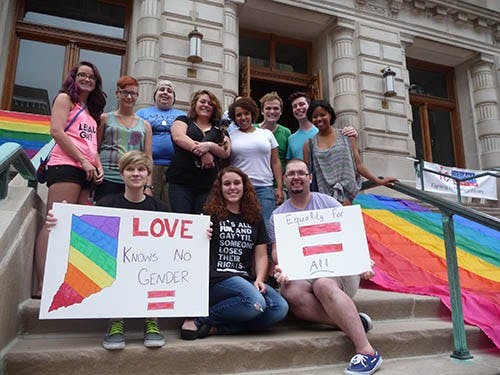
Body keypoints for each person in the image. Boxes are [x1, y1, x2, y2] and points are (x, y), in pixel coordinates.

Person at [270, 159, 382, 375]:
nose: (296, 177)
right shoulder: (278, 215)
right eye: (291, 174)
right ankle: (352, 321)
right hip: (304, 271)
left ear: (309, 178)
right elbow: (277, 250)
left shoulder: (328, 203)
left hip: (338, 273)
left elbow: (350, 235)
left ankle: (367, 351)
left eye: (301, 173)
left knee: (323, 284)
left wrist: (362, 261)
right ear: (284, 180)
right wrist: (280, 266)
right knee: (290, 292)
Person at [46, 151, 167, 349]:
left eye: (141, 169)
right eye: (130, 169)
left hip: (147, 268)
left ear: (148, 175)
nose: (135, 174)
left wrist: (202, 233)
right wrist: (60, 221)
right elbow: (85, 237)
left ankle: (151, 320)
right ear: (122, 174)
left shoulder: (161, 208)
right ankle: (116, 320)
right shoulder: (107, 205)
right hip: (115, 266)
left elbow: (175, 245)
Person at [180, 166, 288, 339]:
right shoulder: (209, 213)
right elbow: (193, 245)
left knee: (279, 308)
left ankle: (218, 328)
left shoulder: (254, 216)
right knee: (255, 302)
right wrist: (199, 234)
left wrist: (260, 279)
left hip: (244, 279)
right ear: (220, 188)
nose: (232, 187)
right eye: (227, 184)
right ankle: (198, 319)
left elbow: (261, 255)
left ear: (244, 186)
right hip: (215, 280)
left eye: (237, 183)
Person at [33, 61, 106, 298]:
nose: (87, 79)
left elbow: (91, 144)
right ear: (73, 78)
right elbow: (56, 131)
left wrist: (97, 165)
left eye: (91, 77)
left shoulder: (92, 110)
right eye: (82, 75)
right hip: (65, 165)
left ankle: (70, 281)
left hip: (86, 170)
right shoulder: (65, 98)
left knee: (81, 226)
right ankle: (42, 285)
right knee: (54, 222)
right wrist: (82, 161)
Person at [303, 100, 396, 205]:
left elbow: (358, 164)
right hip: (324, 200)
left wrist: (378, 181)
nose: (319, 119)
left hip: (350, 195)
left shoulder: (346, 135)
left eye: (322, 115)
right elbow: (307, 175)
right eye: (315, 117)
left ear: (330, 114)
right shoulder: (309, 144)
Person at [167, 89, 231, 214]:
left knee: (204, 223)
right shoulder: (183, 120)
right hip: (181, 183)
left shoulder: (220, 129)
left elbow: (226, 151)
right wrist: (203, 153)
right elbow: (178, 137)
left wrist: (209, 146)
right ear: (195, 104)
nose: (206, 105)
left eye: (210, 104)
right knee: (182, 221)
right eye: (202, 101)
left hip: (208, 186)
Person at [227, 97, 284, 230]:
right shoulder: (230, 136)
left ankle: (268, 251)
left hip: (264, 188)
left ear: (252, 114)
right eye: (238, 115)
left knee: (267, 227)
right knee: (243, 229)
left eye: (246, 113)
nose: (243, 117)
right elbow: (226, 164)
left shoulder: (267, 134)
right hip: (239, 189)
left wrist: (279, 188)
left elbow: (275, 162)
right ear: (234, 118)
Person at [94, 75, 153, 201]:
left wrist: (148, 185)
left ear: (137, 96)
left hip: (135, 180)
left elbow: (148, 157)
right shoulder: (105, 119)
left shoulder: (145, 125)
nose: (129, 97)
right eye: (125, 92)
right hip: (107, 178)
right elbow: (95, 149)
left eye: (133, 93)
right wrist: (98, 170)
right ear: (117, 94)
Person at [136, 80, 186, 205]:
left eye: (169, 91)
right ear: (155, 95)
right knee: (149, 202)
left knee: (170, 204)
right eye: (161, 89)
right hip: (149, 165)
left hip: (175, 167)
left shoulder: (182, 115)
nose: (165, 93)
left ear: (174, 98)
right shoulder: (142, 113)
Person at [286, 91, 359, 161]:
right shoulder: (291, 139)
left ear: (309, 106)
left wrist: (352, 133)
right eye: (294, 106)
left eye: (301, 104)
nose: (298, 108)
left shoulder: (324, 130)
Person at [256, 91, 290, 171]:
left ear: (281, 112)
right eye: (268, 108)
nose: (272, 112)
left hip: (279, 182)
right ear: (262, 111)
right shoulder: (252, 130)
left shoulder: (286, 132)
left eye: (276, 108)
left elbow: (288, 159)